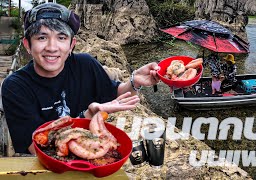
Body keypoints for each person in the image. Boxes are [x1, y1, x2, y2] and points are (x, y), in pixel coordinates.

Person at [1, 3, 160, 154]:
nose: (51, 47)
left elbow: (118, 95)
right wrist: (88, 115)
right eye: (42, 38)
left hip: (89, 158)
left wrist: (134, 82)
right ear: (28, 45)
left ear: (71, 45)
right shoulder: (15, 86)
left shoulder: (85, 65)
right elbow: (35, 149)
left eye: (61, 37)